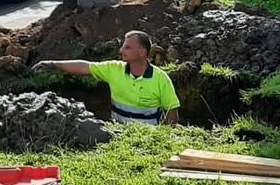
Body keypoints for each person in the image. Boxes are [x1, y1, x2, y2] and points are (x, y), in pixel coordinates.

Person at [31, 30, 180, 126]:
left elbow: (172, 117)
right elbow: (85, 67)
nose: (122, 50)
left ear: (142, 52)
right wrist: (54, 64)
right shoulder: (114, 69)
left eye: (128, 47)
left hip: (149, 140)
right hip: (118, 134)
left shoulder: (161, 79)